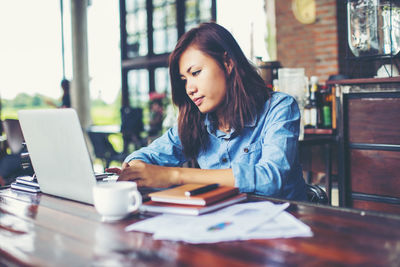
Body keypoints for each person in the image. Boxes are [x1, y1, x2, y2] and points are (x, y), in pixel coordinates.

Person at [108, 22, 306, 200]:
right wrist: (135, 168)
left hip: (284, 227)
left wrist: (173, 175)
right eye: (184, 80)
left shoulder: (279, 107)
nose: (189, 88)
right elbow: (147, 155)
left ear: (227, 63)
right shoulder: (195, 122)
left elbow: (271, 179)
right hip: (225, 225)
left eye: (196, 73)